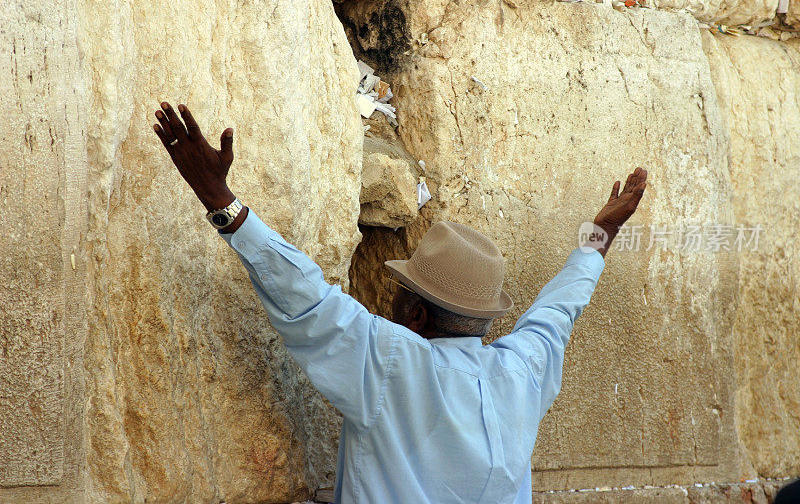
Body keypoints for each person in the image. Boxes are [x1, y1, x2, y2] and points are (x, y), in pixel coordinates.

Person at [152, 102, 648, 503]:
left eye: (399, 295)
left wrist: (220, 198)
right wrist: (599, 234)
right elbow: (559, 311)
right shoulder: (524, 371)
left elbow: (307, 297)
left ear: (415, 315)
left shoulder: (393, 363)